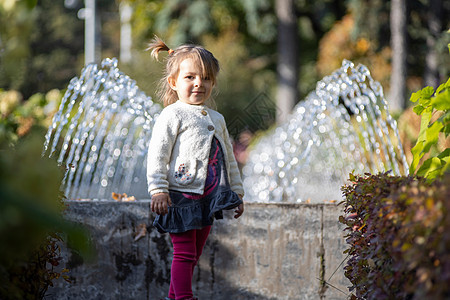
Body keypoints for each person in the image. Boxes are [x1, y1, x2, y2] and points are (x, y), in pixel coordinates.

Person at [146, 36, 245, 300]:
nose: (199, 83)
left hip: (208, 197)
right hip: (180, 195)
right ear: (173, 82)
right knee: (184, 253)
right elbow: (157, 155)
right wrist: (158, 190)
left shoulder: (217, 119)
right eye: (190, 77)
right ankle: (184, 298)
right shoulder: (172, 115)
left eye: (206, 78)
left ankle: (173, 297)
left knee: (195, 255)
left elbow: (228, 159)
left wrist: (236, 192)